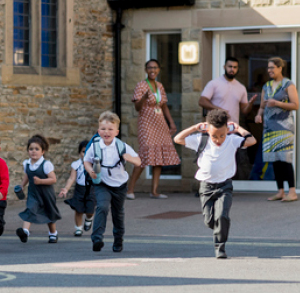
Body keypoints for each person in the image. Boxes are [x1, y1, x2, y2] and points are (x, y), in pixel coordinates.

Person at [174, 109, 256, 258]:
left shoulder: (232, 140)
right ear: (208, 130)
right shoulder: (201, 139)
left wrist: (238, 128)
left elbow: (251, 141)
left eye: (222, 135)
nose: (218, 139)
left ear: (227, 130)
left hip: (224, 186)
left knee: (222, 216)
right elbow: (178, 139)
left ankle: (220, 247)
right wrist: (195, 128)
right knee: (209, 221)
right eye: (214, 136)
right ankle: (218, 230)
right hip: (206, 186)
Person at [84, 111, 142, 252]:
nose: (106, 132)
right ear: (99, 131)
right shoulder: (96, 145)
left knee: (118, 213)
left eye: (110, 129)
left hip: (119, 185)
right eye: (103, 129)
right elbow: (86, 160)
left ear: (116, 132)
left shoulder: (122, 146)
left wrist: (130, 158)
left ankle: (118, 240)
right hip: (102, 183)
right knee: (102, 207)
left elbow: (139, 161)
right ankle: (97, 238)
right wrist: (90, 170)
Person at [127, 59, 180, 200]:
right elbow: (137, 108)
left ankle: (154, 191)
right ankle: (130, 190)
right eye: (150, 67)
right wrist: (144, 97)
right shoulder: (141, 85)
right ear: (146, 70)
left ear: (159, 70)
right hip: (146, 121)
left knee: (159, 157)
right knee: (144, 154)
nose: (152, 70)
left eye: (155, 67)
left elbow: (163, 106)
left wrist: (171, 123)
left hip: (160, 122)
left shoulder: (160, 86)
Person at [255, 57, 299, 202]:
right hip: (269, 128)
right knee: (274, 160)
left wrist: (277, 103)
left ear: (280, 68)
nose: (269, 70)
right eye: (268, 68)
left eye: (272, 67)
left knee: (285, 159)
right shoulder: (266, 86)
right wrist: (258, 115)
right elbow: (262, 105)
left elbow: (295, 105)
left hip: (284, 128)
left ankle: (292, 192)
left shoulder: (288, 84)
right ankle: (280, 191)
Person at [16, 134, 61, 244]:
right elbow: (27, 175)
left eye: (37, 149)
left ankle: (53, 234)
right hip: (34, 193)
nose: (33, 151)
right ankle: (25, 232)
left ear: (43, 151)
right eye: (31, 149)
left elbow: (53, 179)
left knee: (49, 213)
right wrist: (22, 185)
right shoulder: (27, 163)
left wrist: (41, 181)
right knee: (30, 209)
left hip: (46, 193)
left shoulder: (46, 164)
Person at [199, 56, 258, 124]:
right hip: (216, 126)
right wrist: (219, 110)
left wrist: (250, 104)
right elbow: (202, 101)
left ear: (237, 69)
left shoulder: (241, 87)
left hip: (233, 127)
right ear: (224, 67)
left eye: (235, 67)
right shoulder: (214, 83)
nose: (232, 69)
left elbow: (244, 111)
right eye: (230, 66)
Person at [58, 140, 96, 237]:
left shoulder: (94, 164)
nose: (86, 154)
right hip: (80, 189)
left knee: (90, 210)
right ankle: (78, 228)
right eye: (83, 152)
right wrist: (66, 188)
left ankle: (89, 218)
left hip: (91, 189)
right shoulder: (76, 164)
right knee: (78, 210)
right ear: (79, 153)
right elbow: (72, 178)